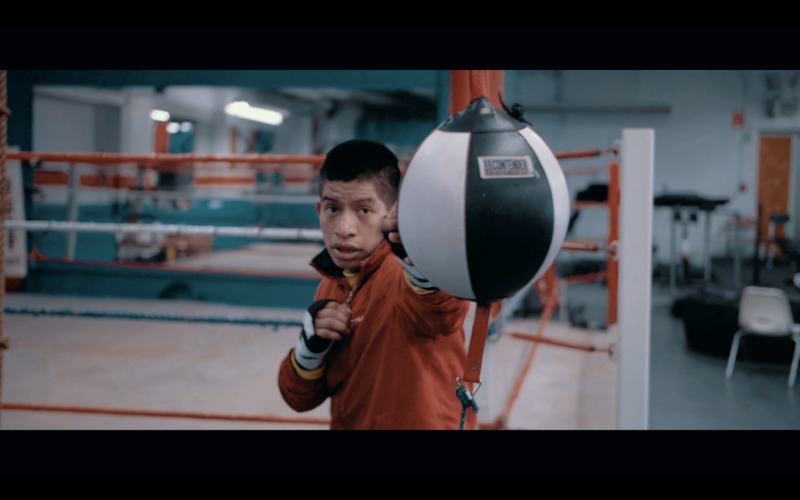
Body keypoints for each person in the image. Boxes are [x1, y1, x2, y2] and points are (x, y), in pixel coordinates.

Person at [278, 139, 475, 430]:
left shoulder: (407, 275)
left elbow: (440, 313)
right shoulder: (333, 283)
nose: (344, 229)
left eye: (363, 211)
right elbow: (299, 400)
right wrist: (310, 348)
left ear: (393, 213)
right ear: (319, 210)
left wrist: (421, 261)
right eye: (332, 209)